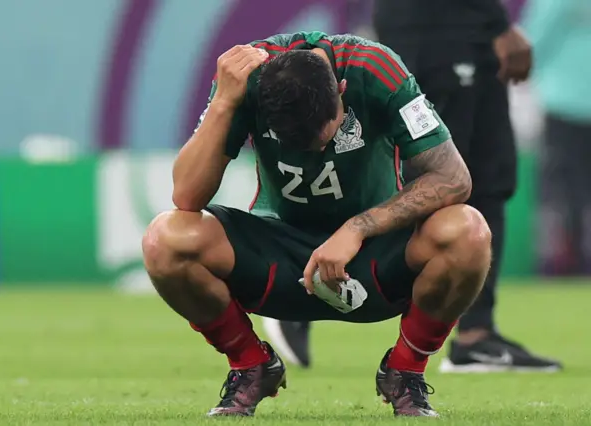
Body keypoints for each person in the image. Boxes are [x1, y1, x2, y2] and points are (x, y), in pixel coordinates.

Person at [142, 31, 492, 418]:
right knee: (166, 238)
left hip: (374, 254)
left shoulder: (377, 69)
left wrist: (357, 228)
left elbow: (454, 178)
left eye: (326, 136)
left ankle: (405, 372)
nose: (318, 151)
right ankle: (251, 366)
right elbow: (187, 198)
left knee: (468, 231)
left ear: (342, 90)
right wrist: (225, 102)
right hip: (279, 254)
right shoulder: (246, 80)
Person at [265, 1, 563, 373]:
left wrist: (491, 24)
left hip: (467, 31)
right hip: (438, 28)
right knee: (432, 176)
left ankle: (476, 334)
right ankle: (303, 290)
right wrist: (497, 21)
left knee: (489, 177)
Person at [524, 0, 591, 275]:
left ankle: (562, 260)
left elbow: (532, 42)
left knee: (561, 188)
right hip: (567, 101)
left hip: (563, 102)